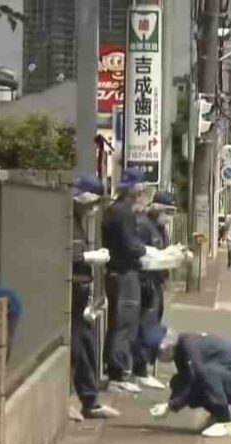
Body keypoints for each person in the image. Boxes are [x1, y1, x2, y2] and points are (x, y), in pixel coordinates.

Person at [145, 325, 231, 438]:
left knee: (204, 373)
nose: (159, 360)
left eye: (158, 355)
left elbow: (195, 377)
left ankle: (225, 422)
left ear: (166, 347)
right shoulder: (181, 350)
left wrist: (170, 406)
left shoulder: (188, 346)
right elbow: (187, 381)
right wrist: (171, 404)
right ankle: (217, 416)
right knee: (179, 382)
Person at [69, 175, 121, 419]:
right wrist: (91, 257)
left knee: (88, 346)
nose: (95, 209)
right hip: (71, 295)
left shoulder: (77, 219)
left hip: (81, 295)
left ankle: (91, 401)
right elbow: (67, 255)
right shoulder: (67, 219)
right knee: (77, 349)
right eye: (93, 203)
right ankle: (82, 401)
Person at [101, 168, 153, 394]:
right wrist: (147, 252)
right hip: (125, 274)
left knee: (117, 322)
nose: (142, 193)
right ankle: (117, 372)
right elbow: (131, 245)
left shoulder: (114, 210)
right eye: (140, 188)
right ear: (132, 189)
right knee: (125, 322)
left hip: (115, 273)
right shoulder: (124, 213)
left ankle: (115, 369)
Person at [130, 191, 176, 389]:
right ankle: (139, 369)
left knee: (152, 323)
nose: (168, 217)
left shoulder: (160, 228)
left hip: (156, 282)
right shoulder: (143, 225)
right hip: (145, 283)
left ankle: (144, 367)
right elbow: (142, 255)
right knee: (145, 326)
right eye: (166, 211)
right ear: (156, 208)